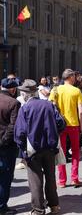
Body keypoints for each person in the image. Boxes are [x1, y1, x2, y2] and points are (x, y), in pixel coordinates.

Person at [14, 80, 60, 215]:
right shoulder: (49, 105)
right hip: (50, 148)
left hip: (32, 149)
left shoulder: (25, 108)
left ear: (25, 94)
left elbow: (20, 133)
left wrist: (22, 147)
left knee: (35, 180)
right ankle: (54, 206)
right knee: (50, 178)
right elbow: (60, 123)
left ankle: (39, 209)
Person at [49, 69, 82, 188]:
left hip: (60, 126)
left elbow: (51, 107)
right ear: (70, 77)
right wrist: (81, 126)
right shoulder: (76, 91)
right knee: (75, 151)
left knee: (61, 153)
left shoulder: (55, 90)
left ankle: (62, 180)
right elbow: (81, 112)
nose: (75, 79)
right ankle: (74, 178)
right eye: (74, 77)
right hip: (73, 125)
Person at [0, 78, 20, 215]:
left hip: (4, 143)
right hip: (6, 146)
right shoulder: (14, 103)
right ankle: (2, 206)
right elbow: (13, 126)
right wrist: (3, 141)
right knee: (5, 177)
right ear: (13, 89)